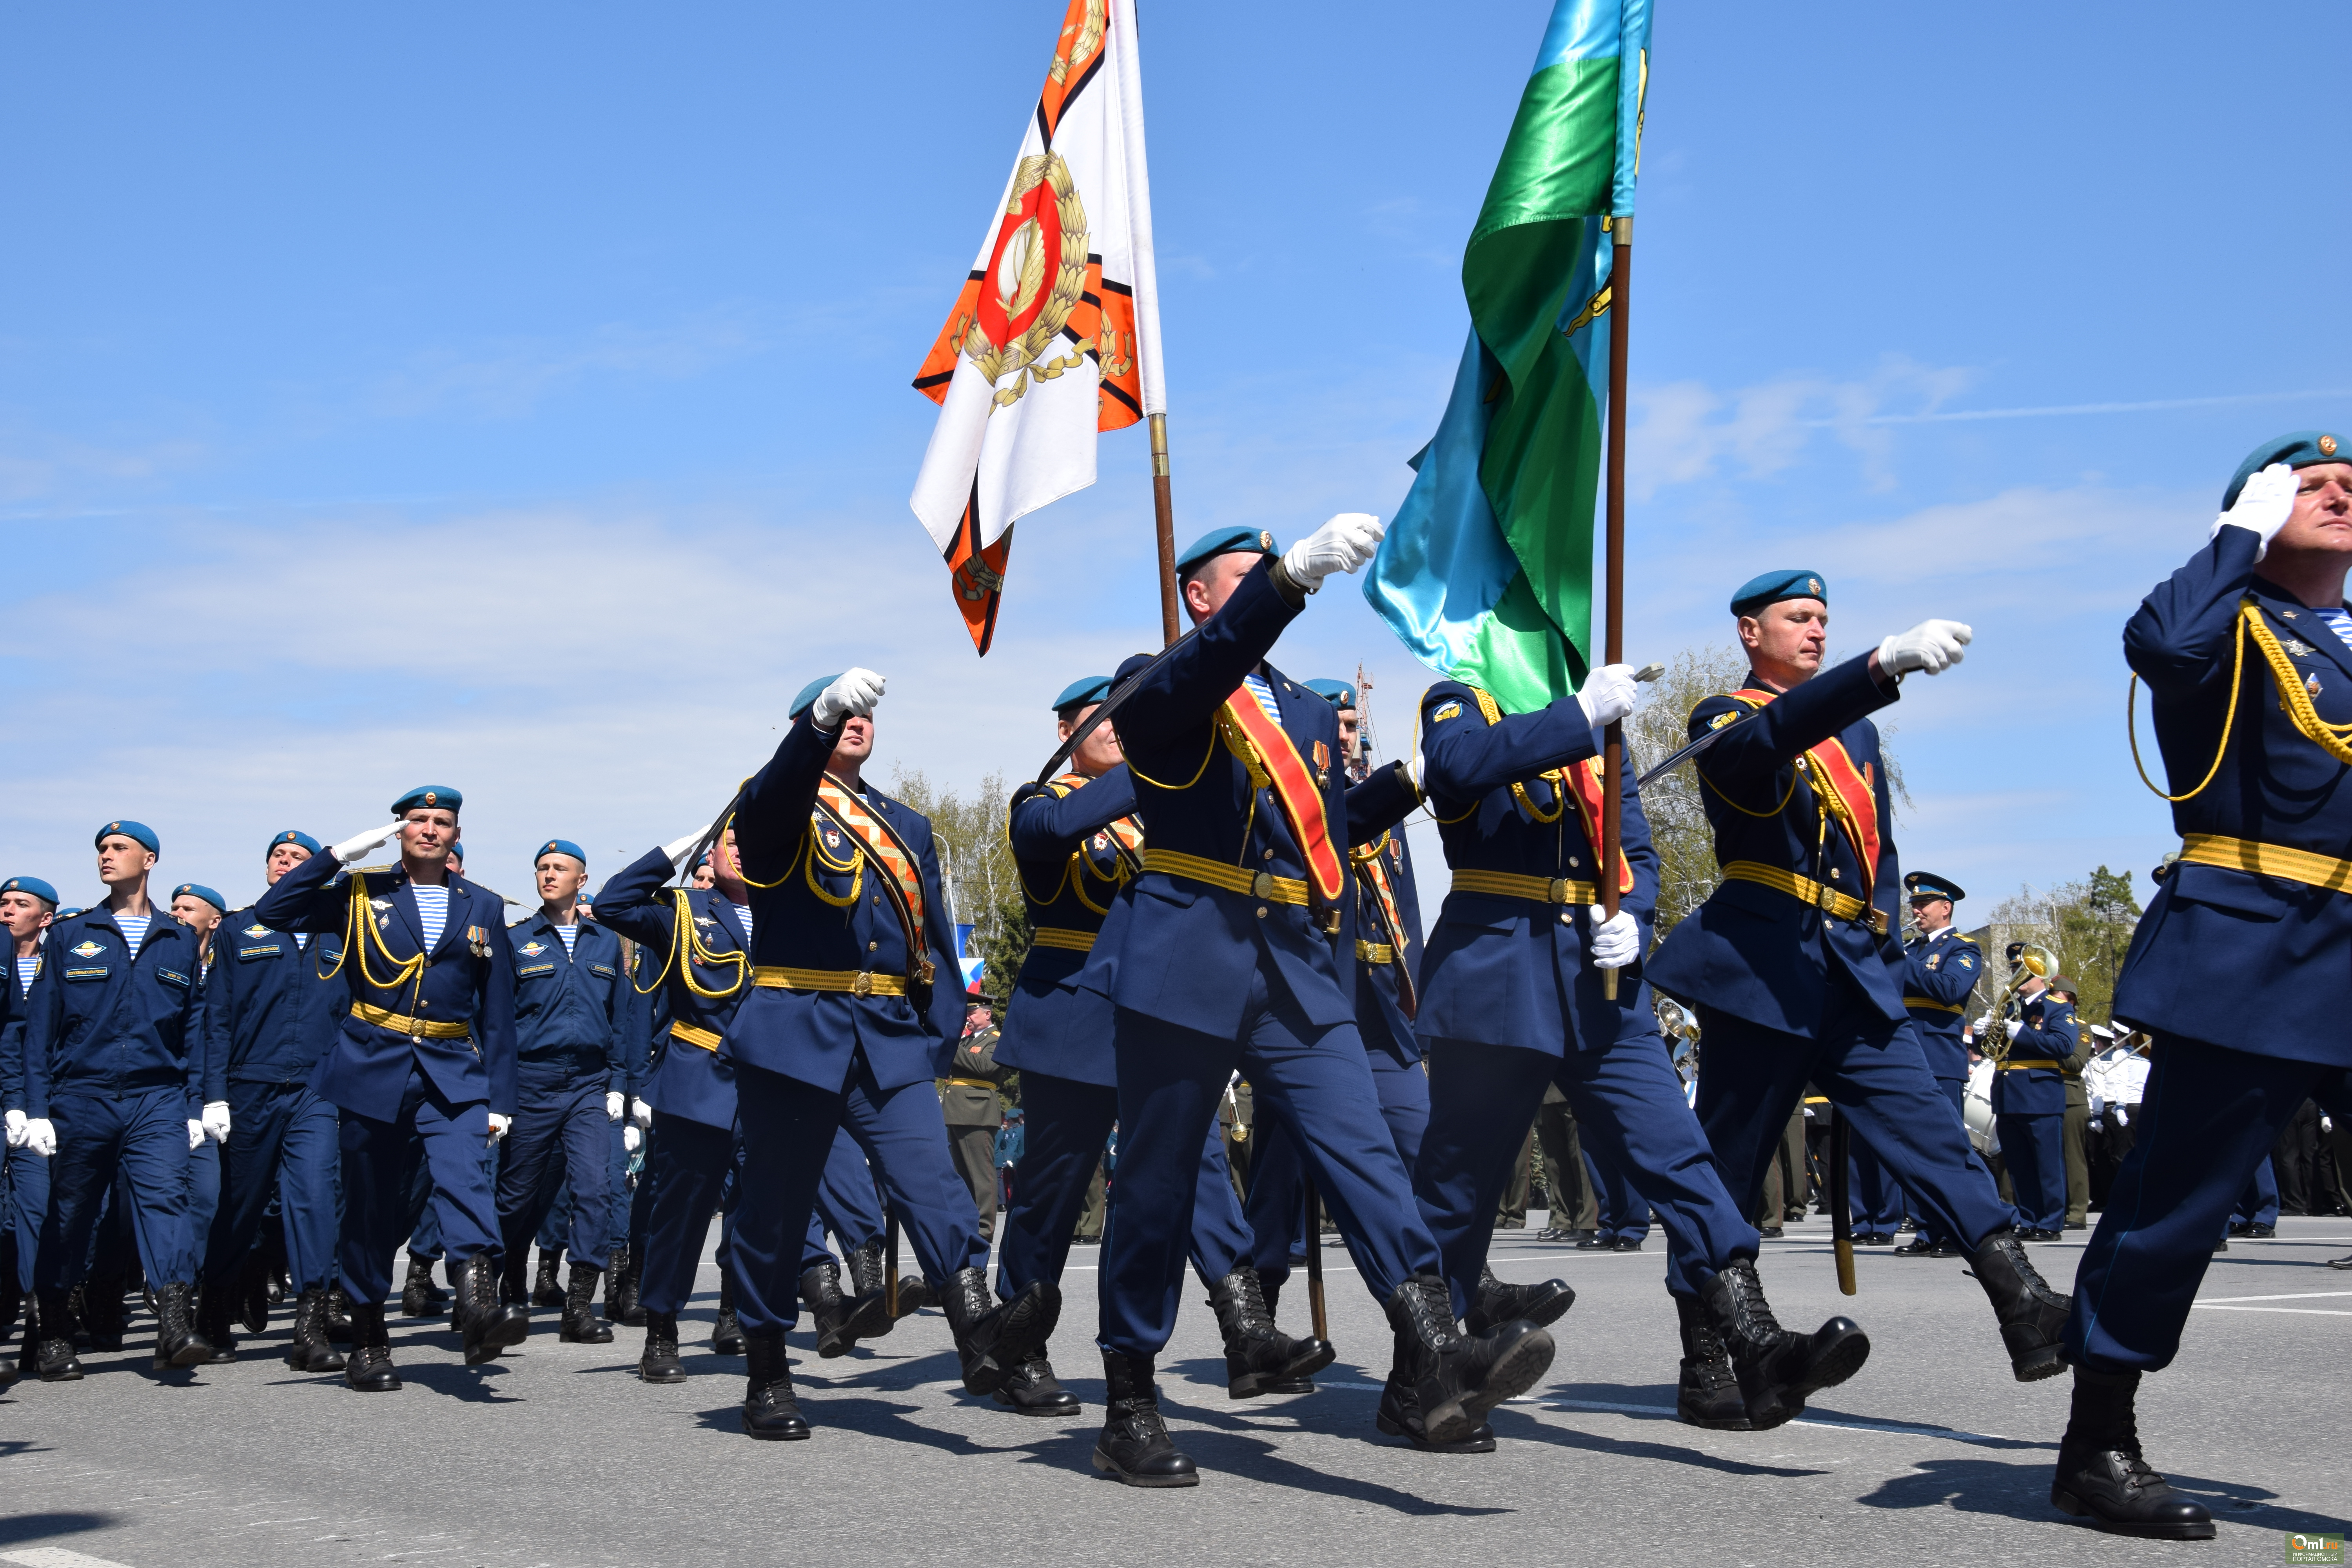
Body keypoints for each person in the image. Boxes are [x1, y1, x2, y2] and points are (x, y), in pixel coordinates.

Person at [1076, 517, 1557, 1486]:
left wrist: (1404, 785)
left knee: (1365, 1152)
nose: (1266, 580)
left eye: (1273, 568)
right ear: (1201, 596)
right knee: (1163, 1181)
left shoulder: (1297, 706)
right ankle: (1129, 1392)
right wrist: (1287, 582)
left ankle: (1432, 1344)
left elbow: (1323, 829)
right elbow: (1179, 694)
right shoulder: (1156, 672)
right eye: (1244, 575)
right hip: (1189, 947)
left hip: (1292, 963)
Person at [1644, 571, 2072, 1408]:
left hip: (1849, 971)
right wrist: (1879, 663)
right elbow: (1766, 744)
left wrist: (1879, 940)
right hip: (1763, 972)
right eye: (1797, 617)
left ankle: (2024, 1304)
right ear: (1748, 631)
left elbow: (1878, 860)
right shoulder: (1723, 716)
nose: (1814, 630)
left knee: (1932, 1136)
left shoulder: (1859, 737)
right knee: (1726, 1171)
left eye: (1825, 621)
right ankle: (1710, 1355)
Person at [1410, 653, 1853, 1436]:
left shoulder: (1597, 722)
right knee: (1462, 1185)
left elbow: (1635, 848)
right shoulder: (1461, 701)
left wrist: (1635, 918)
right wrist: (1576, 718)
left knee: (1678, 1154)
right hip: (1497, 979)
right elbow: (1455, 767)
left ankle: (1754, 1339)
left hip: (1599, 985)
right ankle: (1431, 1367)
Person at [722, 669, 1056, 1440]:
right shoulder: (772, 799)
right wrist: (812, 726)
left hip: (886, 1031)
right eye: (839, 714)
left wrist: (939, 1034)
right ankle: (768, 1368)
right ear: (809, 723)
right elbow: (774, 803)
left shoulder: (906, 823)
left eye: (865, 714)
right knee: (774, 1211)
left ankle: (978, 1325)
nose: (856, 722)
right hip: (796, 1027)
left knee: (931, 1182)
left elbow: (931, 937)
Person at [996, 672, 1310, 1420]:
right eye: (1099, 717)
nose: (1114, 725)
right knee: (1053, 1191)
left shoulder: (1157, 806)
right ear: (1067, 731)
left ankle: (1247, 1333)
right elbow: (1050, 838)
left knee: (1196, 1166)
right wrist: (1162, 765)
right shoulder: (1041, 801)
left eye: (1123, 716)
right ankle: (1017, 1344)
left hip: (1159, 1007)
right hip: (1075, 1011)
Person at [255, 786, 528, 1390]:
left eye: (443, 822)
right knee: (372, 1207)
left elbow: (500, 1010)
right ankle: (371, 1338)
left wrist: (502, 1099)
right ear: (398, 830)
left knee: (464, 1175)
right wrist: (336, 857)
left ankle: (478, 1296)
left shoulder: (481, 905)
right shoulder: (361, 891)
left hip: (451, 1065)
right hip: (373, 1062)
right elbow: (273, 912)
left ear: (457, 835)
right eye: (417, 820)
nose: (430, 829)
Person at [9, 822, 214, 1377]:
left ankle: (175, 1323)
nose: (107, 855)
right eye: (102, 848)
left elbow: (193, 1030)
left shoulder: (175, 938)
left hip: (157, 1097)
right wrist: (35, 1108)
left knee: (168, 1202)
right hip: (83, 1095)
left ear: (149, 860)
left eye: (119, 848)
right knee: (71, 1215)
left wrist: (198, 1107)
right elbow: (39, 1027)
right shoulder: (74, 935)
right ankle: (53, 1329)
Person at [191, 832, 348, 1372]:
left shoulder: (341, 927)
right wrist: (213, 1095)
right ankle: (213, 1309)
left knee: (314, 1198)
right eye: (278, 857)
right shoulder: (240, 928)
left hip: (318, 1089)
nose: (286, 863)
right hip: (248, 1086)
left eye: (299, 859)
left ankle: (310, 1326)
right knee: (238, 1206)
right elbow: (216, 1018)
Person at [495, 840, 633, 1344]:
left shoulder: (604, 942)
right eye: (542, 868)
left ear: (582, 879)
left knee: (596, 1189)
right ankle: (505, 1283)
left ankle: (579, 1307)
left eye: (560, 868)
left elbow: (621, 1019)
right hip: (531, 1082)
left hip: (588, 1084)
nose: (549, 875)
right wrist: (498, 1096)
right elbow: (498, 1022)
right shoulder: (516, 941)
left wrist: (619, 1084)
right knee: (516, 1196)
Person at [1891, 873, 1980, 1259]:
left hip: (1939, 1057)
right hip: (1906, 1055)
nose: (1916, 910)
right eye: (1914, 903)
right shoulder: (1908, 950)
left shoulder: (1963, 949)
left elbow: (1949, 990)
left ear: (1945, 907)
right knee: (1914, 1148)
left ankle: (1959, 1229)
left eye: (1924, 903)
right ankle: (1928, 1228)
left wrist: (1897, 959)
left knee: (1945, 1147)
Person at [2, 875, 59, 1367]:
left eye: (21, 904)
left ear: (45, 918)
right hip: (8, 1095)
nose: (7, 910)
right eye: (3, 902)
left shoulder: (57, 963)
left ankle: (40, 1324)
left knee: (37, 1213)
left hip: (43, 1104)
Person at [1987, 967, 2079, 1241]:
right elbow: (1992, 1050)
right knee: (2019, 1164)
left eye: (2026, 972)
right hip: (2007, 1093)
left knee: (2048, 1164)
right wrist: (1984, 1033)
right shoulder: (2006, 1008)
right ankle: (2028, 1219)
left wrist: (2024, 1034)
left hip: (2040, 1095)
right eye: (2016, 970)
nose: (2019, 976)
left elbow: (2064, 1046)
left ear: (2044, 978)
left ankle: (2051, 1222)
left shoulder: (2057, 1008)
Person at [941, 984, 1008, 1245]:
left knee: (982, 1176)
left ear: (987, 1014)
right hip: (956, 1111)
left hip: (978, 1111)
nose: (968, 1017)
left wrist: (952, 1046)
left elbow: (986, 1067)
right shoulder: (967, 1041)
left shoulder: (996, 1039)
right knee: (962, 1175)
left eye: (973, 1012)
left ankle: (984, 1228)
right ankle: (969, 1222)